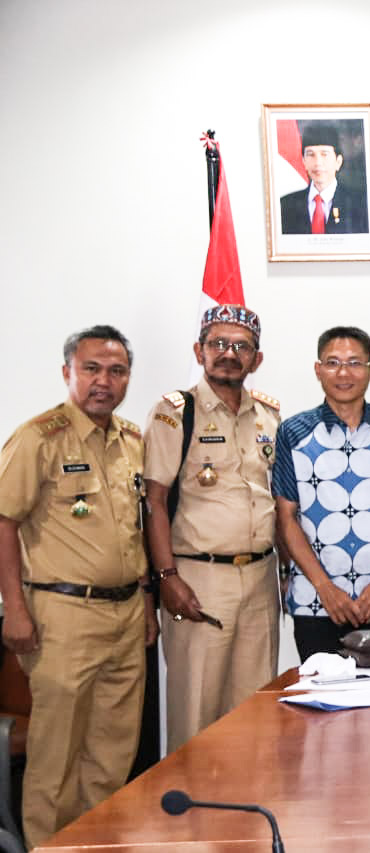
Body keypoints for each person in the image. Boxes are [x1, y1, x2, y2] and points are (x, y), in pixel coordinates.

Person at [0, 325, 156, 847]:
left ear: (128, 377)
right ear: (67, 372)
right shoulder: (38, 438)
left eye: (116, 371)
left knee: (113, 753)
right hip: (63, 615)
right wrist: (13, 609)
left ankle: (98, 845)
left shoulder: (131, 440)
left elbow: (133, 530)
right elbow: (4, 523)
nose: (103, 381)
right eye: (91, 369)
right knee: (56, 757)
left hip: (126, 614)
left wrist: (147, 603)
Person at [141, 304, 283, 751]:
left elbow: (277, 500)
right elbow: (154, 502)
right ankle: (189, 799)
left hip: (260, 580)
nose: (229, 354)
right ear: (199, 350)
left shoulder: (269, 416)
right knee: (196, 712)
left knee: (254, 714)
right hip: (199, 579)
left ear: (256, 359)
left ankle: (246, 798)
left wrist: (285, 571)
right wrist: (167, 577)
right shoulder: (174, 413)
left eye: (242, 347)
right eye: (218, 343)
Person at [272, 327, 370, 660]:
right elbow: (286, 516)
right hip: (316, 600)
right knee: (318, 692)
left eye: (354, 363)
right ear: (318, 370)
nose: (343, 373)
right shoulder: (293, 432)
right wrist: (325, 588)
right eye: (333, 362)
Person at [279, 123, 369, 235]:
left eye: (324, 154)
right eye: (311, 155)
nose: (318, 163)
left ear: (338, 161)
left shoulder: (359, 204)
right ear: (304, 161)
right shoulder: (285, 205)